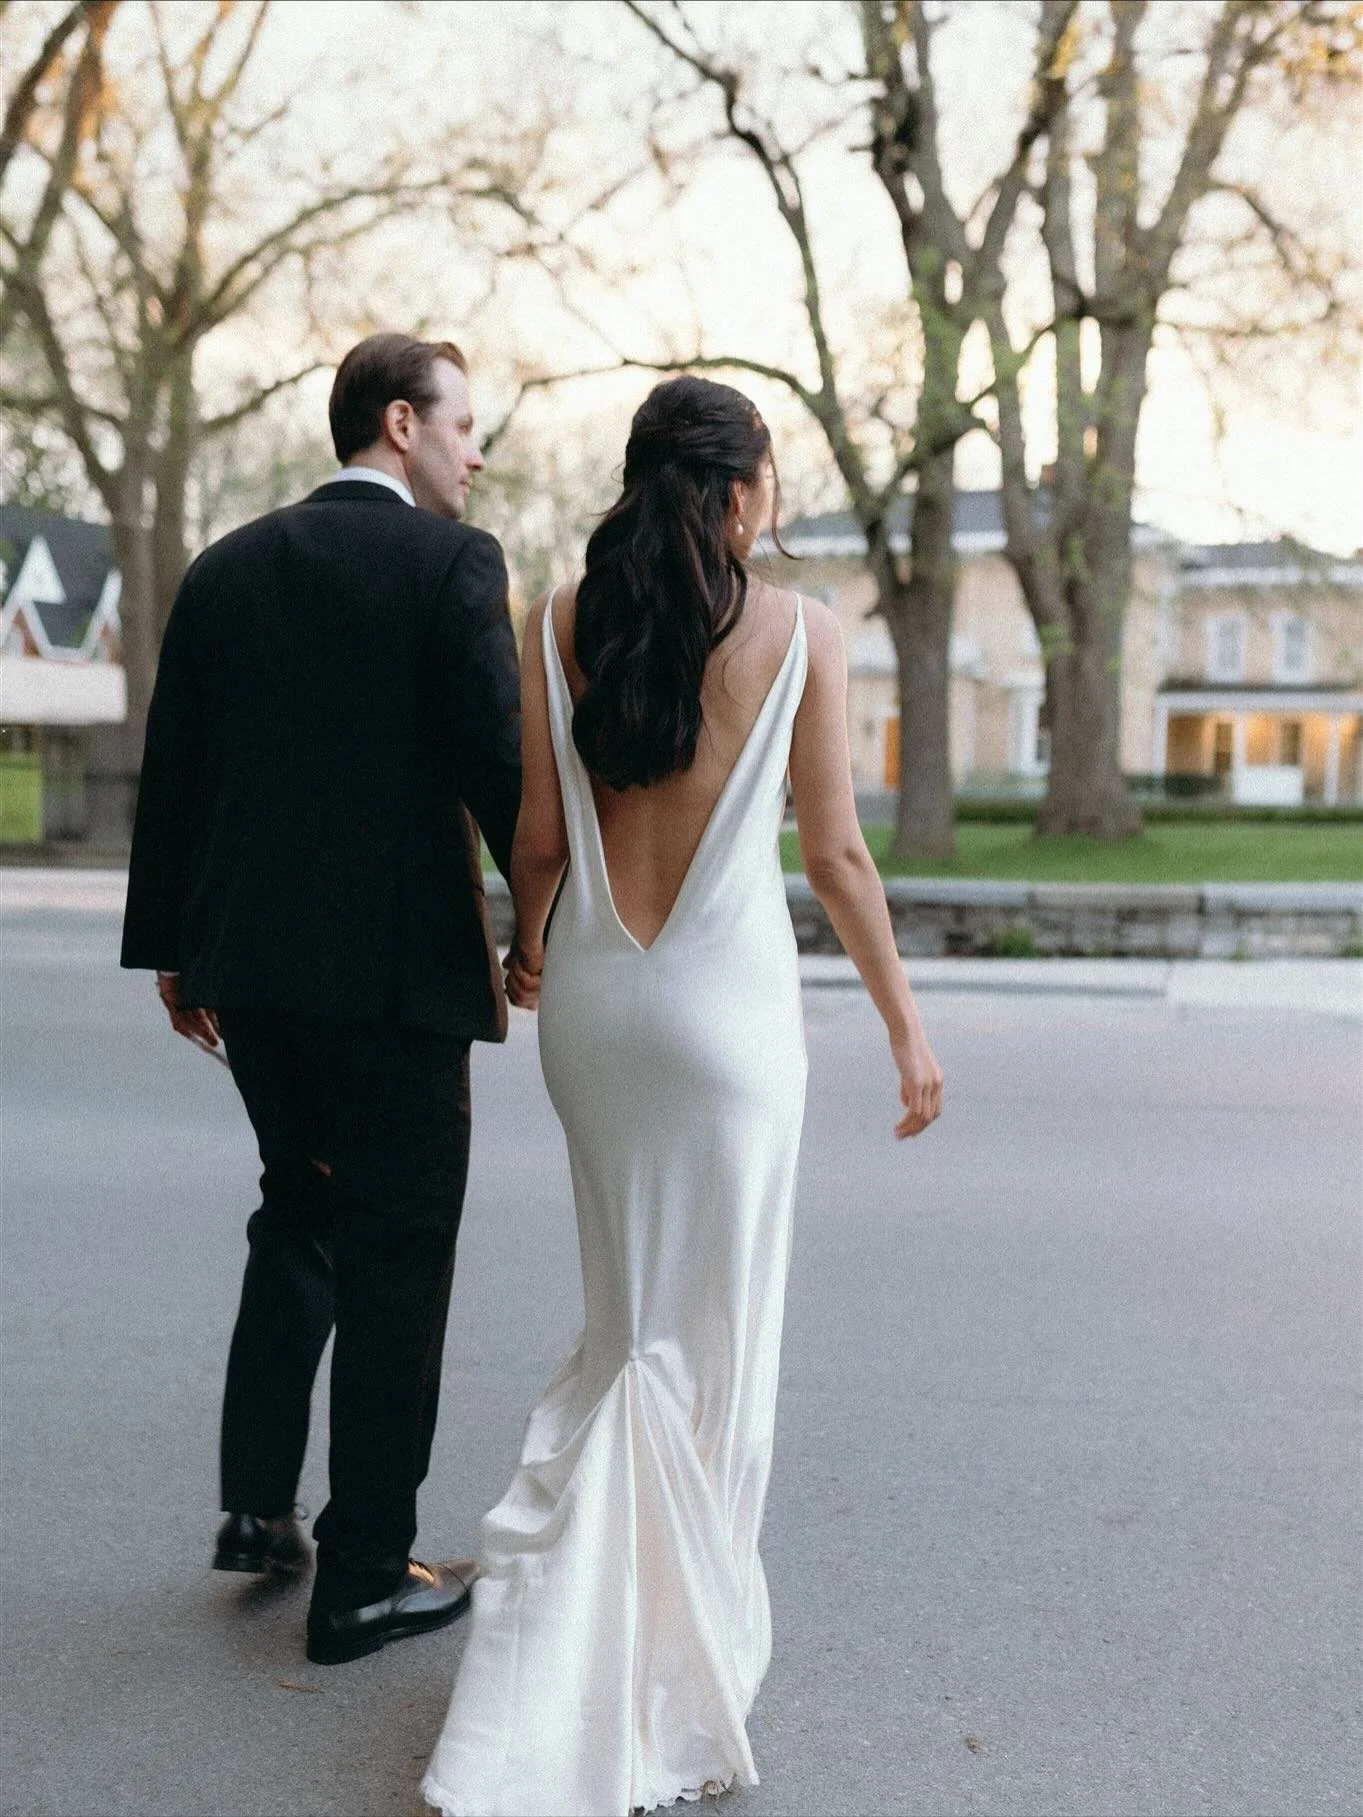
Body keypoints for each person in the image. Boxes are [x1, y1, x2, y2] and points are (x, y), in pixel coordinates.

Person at [422, 375, 942, 1815]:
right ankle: (669, 1682)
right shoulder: (804, 635)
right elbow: (835, 858)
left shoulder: (559, 623)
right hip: (729, 1030)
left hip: (597, 1013)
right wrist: (906, 1031)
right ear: (736, 491)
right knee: (715, 1354)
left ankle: (587, 1652)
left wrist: (528, 949)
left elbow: (536, 838)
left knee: (628, 1328)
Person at [120, 332, 521, 1666]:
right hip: (398, 985)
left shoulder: (226, 566)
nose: (476, 454)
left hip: (251, 977)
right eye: (464, 426)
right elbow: (500, 767)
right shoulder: (451, 566)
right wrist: (546, 925)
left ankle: (255, 1506)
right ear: (400, 423)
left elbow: (175, 771)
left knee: (299, 1207)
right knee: (399, 1257)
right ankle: (362, 1579)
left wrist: (173, 951)